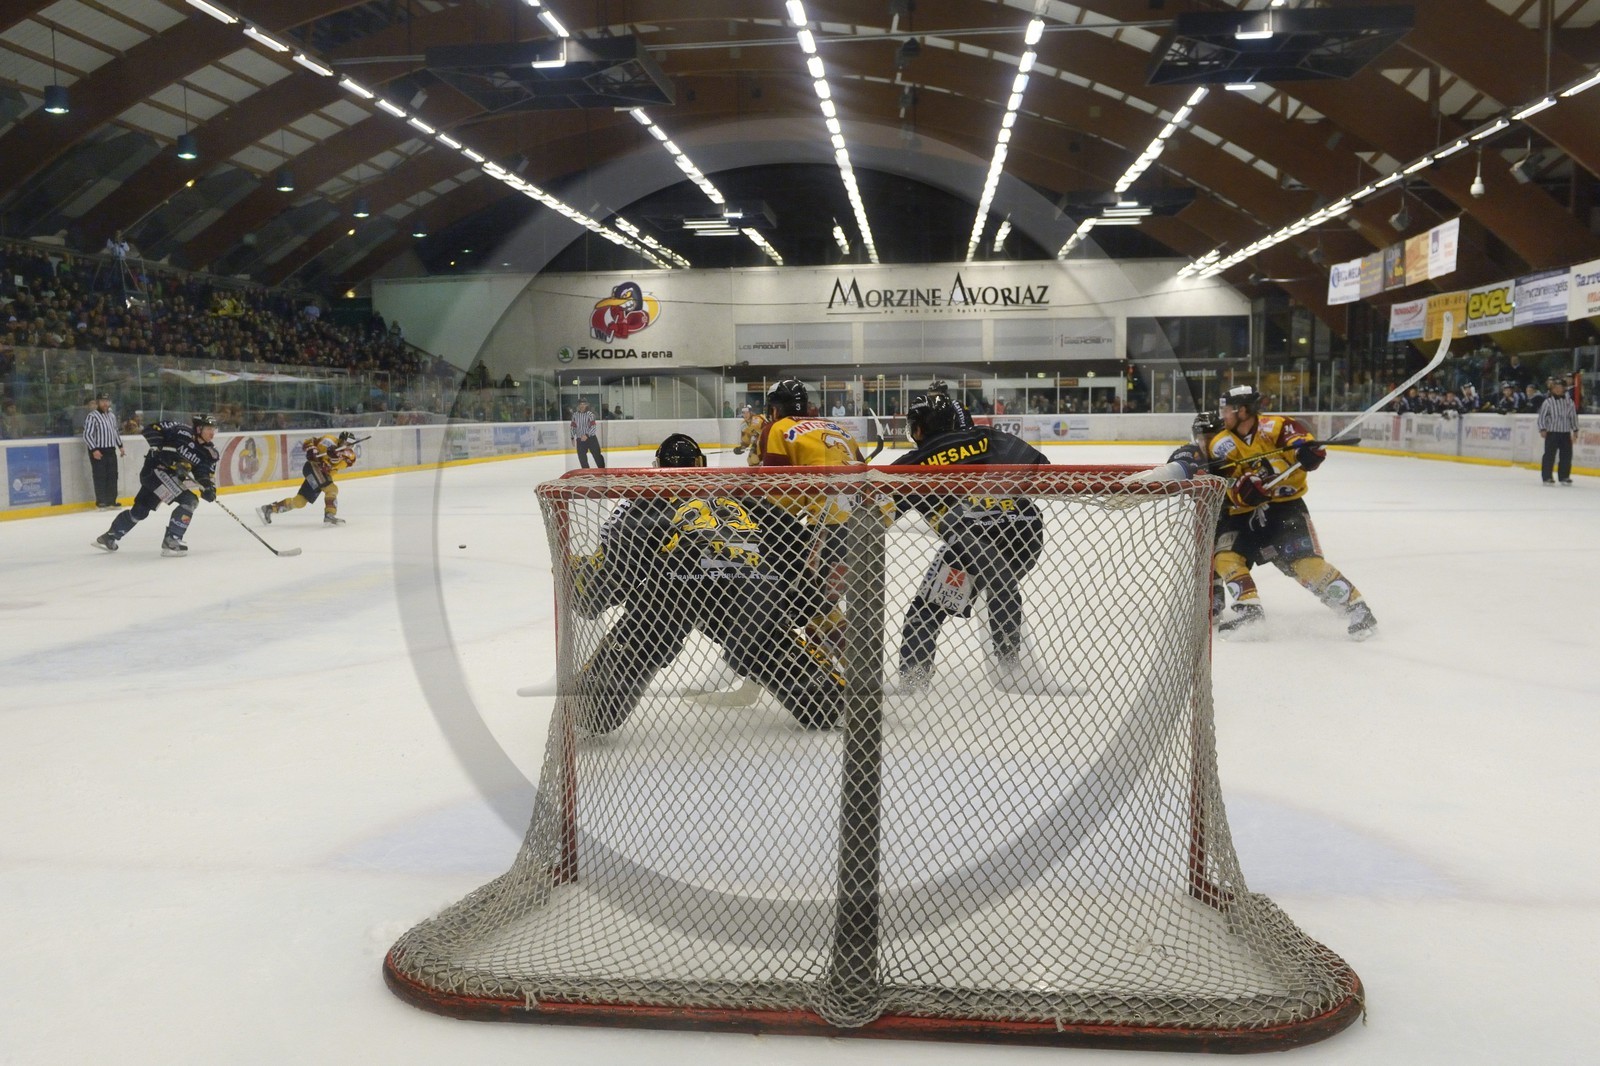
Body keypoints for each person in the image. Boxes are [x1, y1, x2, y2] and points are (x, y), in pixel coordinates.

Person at [566, 433, 842, 734]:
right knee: (763, 640)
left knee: (647, 630)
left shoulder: (645, 502)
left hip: (676, 584)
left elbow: (614, 574)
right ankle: (823, 696)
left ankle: (594, 706)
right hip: (746, 586)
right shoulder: (740, 496)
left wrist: (579, 581)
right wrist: (804, 601)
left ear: (657, 468)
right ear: (703, 465)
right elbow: (796, 547)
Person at [890, 393, 1048, 689]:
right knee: (1003, 585)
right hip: (1027, 533)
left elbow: (882, 511)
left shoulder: (915, 461)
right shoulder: (988, 437)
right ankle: (1010, 663)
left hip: (972, 543)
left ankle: (914, 678)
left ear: (920, 428)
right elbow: (1042, 467)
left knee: (928, 609)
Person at [1205, 385, 1376, 641]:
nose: (1222, 415)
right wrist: (1239, 492)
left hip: (1284, 510)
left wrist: (1307, 453)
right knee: (1226, 557)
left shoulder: (1275, 427)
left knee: (1303, 564)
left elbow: (1300, 445)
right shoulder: (1222, 443)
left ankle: (1356, 608)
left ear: (1242, 411)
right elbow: (1221, 483)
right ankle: (1249, 611)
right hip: (1242, 515)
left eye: (1226, 409)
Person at [758, 378, 867, 652]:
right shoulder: (836, 427)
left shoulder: (777, 428)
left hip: (829, 525)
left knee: (806, 605)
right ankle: (847, 668)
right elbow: (863, 469)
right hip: (867, 522)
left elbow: (781, 501)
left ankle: (849, 674)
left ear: (774, 409)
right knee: (819, 604)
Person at [93, 413, 219, 557]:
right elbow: (150, 429)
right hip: (155, 472)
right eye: (208, 428)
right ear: (198, 429)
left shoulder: (209, 453)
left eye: (213, 429)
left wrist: (208, 488)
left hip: (166, 479)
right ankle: (172, 540)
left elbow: (203, 473)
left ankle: (109, 536)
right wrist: (164, 453)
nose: (212, 433)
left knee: (139, 512)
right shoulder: (180, 431)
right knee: (189, 501)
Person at [260, 430, 359, 525]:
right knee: (332, 489)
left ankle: (269, 509)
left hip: (320, 474)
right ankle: (329, 514)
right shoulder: (328, 440)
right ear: (340, 441)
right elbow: (309, 441)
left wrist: (334, 458)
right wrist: (312, 449)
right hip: (313, 467)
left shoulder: (350, 457)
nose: (348, 447)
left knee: (300, 502)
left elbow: (336, 464)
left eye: (351, 445)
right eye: (345, 443)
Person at [82, 393, 123, 509]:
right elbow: (87, 434)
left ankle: (112, 500)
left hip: (110, 449)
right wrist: (94, 449)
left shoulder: (112, 416)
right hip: (98, 450)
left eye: (107, 401)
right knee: (100, 475)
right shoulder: (92, 416)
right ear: (97, 402)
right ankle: (101, 501)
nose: (105, 403)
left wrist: (120, 446)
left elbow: (115, 432)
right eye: (102, 401)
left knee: (113, 475)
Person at [1537, 376, 1578, 486]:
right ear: (1552, 389)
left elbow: (1573, 417)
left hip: (1565, 433)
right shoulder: (1548, 402)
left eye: (1561, 387)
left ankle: (1564, 476)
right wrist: (1542, 428)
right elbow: (1542, 417)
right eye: (1556, 387)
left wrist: (1575, 430)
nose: (1558, 389)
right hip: (1552, 432)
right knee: (1549, 455)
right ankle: (1547, 477)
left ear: (1564, 388)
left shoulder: (1569, 402)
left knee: (1566, 455)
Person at [570, 399, 604, 468]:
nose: (582, 406)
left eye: (583, 404)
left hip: (591, 439)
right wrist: (572, 437)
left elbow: (593, 427)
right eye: (580, 404)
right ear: (578, 406)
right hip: (580, 439)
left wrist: (587, 435)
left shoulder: (590, 415)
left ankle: (602, 470)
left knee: (597, 455)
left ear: (586, 405)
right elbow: (573, 426)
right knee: (582, 458)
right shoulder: (575, 415)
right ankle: (586, 473)